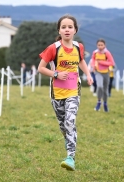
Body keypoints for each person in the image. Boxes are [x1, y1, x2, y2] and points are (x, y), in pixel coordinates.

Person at [38, 14, 93, 171]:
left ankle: (70, 157)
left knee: (70, 121)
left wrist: (88, 74)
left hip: (73, 91)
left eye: (70, 27)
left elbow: (81, 60)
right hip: (56, 93)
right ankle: (68, 138)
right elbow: (40, 68)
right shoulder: (53, 48)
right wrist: (55, 74)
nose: (67, 30)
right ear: (59, 30)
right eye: (64, 27)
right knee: (63, 126)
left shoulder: (78, 47)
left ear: (75, 30)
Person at [91, 39, 115, 112]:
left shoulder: (107, 53)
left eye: (102, 45)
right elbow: (93, 60)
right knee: (100, 86)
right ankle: (98, 102)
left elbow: (112, 63)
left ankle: (105, 103)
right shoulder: (95, 53)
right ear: (96, 45)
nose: (100, 46)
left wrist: (101, 62)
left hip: (106, 73)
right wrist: (93, 66)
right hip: (98, 72)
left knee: (105, 90)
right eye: (99, 45)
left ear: (105, 45)